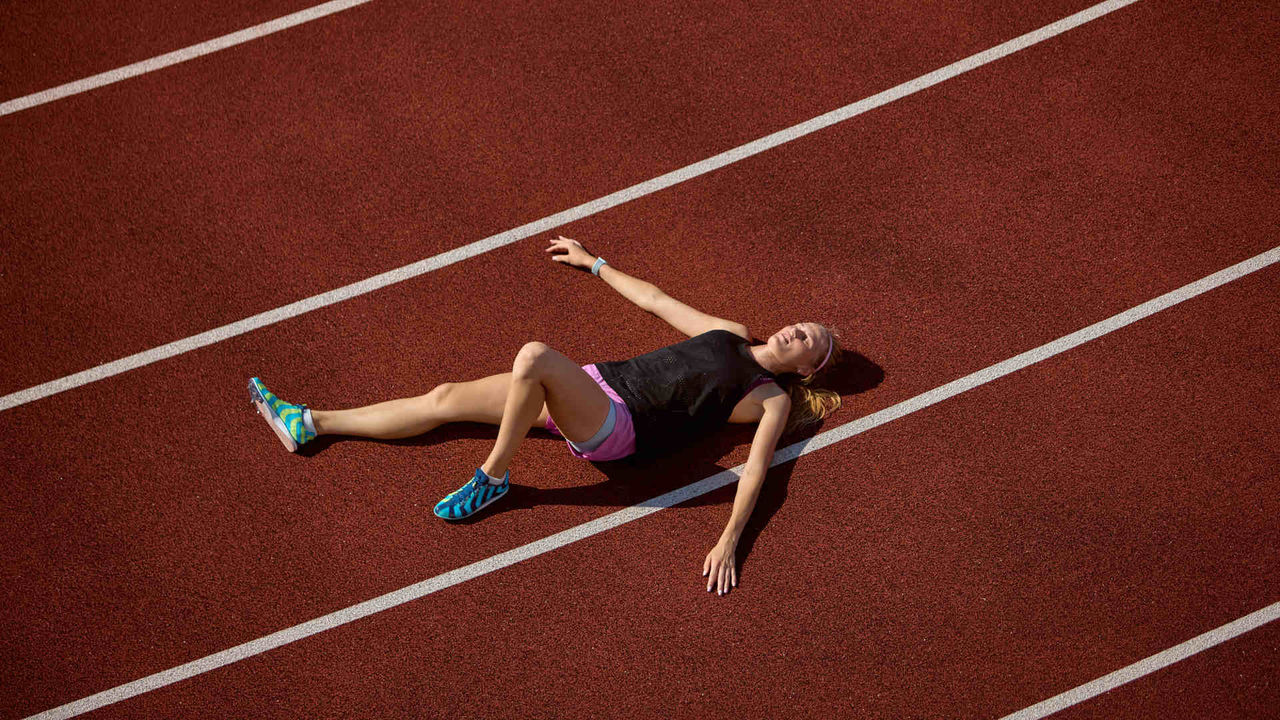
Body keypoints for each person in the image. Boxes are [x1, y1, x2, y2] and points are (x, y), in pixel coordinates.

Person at [248, 236, 843, 595]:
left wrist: (730, 540)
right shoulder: (732, 332)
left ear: (807, 368)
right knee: (445, 397)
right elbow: (657, 301)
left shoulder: (768, 397)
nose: (797, 330)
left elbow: (759, 472)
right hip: (592, 387)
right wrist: (594, 263)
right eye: (802, 323)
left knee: (533, 356)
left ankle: (493, 477)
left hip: (619, 426)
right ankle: (311, 422)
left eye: (808, 340)